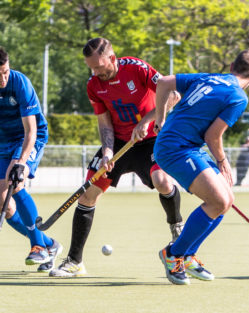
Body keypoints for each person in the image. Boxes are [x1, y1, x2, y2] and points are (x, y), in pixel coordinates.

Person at [50, 37, 184, 278]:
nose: (96, 72)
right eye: (91, 67)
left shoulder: (138, 68)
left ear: (112, 58)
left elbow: (173, 95)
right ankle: (74, 261)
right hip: (120, 142)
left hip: (150, 139)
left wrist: (146, 121)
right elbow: (104, 122)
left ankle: (177, 231)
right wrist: (108, 151)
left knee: (162, 182)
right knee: (89, 193)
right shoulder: (93, 84)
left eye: (99, 66)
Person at [154, 48, 249, 285]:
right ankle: (173, 254)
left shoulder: (207, 77)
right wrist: (223, 164)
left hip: (187, 147)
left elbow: (162, 82)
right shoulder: (238, 97)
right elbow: (214, 136)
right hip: (175, 149)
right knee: (219, 201)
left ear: (232, 67)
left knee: (226, 201)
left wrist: (160, 118)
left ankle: (188, 254)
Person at [0, 47, 61, 272]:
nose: (3, 78)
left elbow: (31, 131)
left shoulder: (20, 83)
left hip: (29, 137)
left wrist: (21, 162)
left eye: (6, 71)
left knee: (15, 182)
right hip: (2, 138)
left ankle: (37, 246)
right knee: (3, 205)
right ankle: (49, 244)